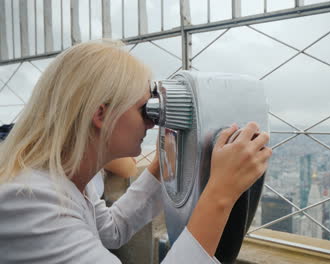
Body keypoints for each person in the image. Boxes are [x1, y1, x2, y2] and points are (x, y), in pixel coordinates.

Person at [0, 40, 272, 263]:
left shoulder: (65, 174)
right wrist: (221, 193)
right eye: (144, 108)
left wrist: (162, 163)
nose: (154, 121)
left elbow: (111, 231)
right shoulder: (31, 201)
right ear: (102, 115)